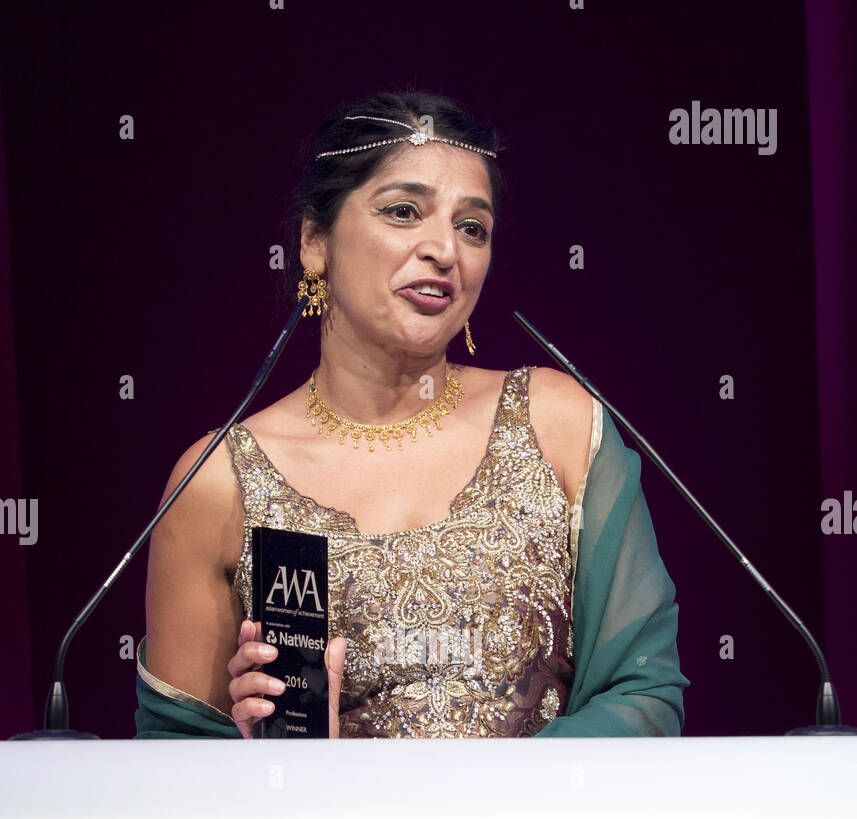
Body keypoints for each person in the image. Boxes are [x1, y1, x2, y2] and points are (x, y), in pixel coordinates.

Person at [135, 90, 689, 740]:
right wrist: (273, 757)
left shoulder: (555, 423)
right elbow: (176, 775)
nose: (444, 250)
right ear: (314, 243)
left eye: (471, 227)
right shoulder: (216, 480)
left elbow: (642, 694)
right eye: (403, 212)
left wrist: (477, 814)